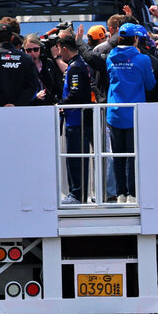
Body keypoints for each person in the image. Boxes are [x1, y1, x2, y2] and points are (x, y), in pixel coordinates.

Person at [105, 23, 155, 202]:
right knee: (133, 155)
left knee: (118, 156)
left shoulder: (110, 57)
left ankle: (120, 194)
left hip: (114, 113)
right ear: (135, 39)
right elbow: (150, 84)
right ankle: (133, 194)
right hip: (134, 114)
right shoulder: (142, 60)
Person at [0, 19, 44, 107]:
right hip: (22, 111)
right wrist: (17, 104)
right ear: (12, 37)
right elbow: (33, 86)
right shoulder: (26, 58)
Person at [57, 33, 93, 202]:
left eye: (59, 49)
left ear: (64, 49)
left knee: (76, 159)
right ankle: (76, 193)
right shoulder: (75, 65)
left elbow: (76, 92)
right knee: (73, 158)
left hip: (77, 120)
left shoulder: (76, 66)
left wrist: (61, 104)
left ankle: (77, 194)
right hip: (74, 119)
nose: (58, 53)